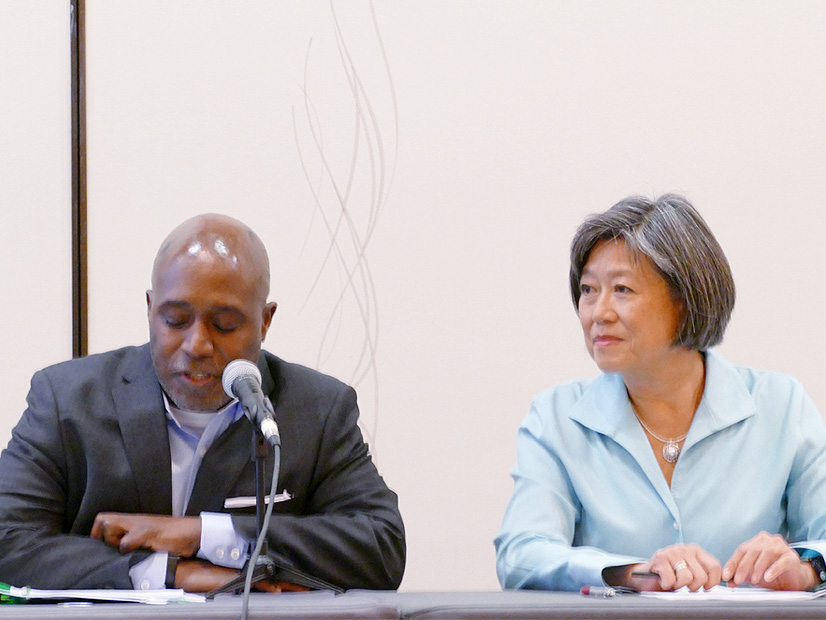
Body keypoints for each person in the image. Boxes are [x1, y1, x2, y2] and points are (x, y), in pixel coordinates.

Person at [0, 214, 405, 593]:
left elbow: (381, 547)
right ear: (149, 309)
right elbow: (7, 540)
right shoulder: (67, 399)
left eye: (225, 324)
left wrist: (203, 535)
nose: (197, 345)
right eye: (175, 319)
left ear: (265, 321)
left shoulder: (316, 409)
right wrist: (169, 572)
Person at [495, 194, 826, 593]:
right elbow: (521, 553)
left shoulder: (781, 406)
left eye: (621, 289)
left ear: (685, 300)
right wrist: (632, 572)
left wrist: (803, 569)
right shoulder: (556, 417)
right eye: (587, 290)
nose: (598, 312)